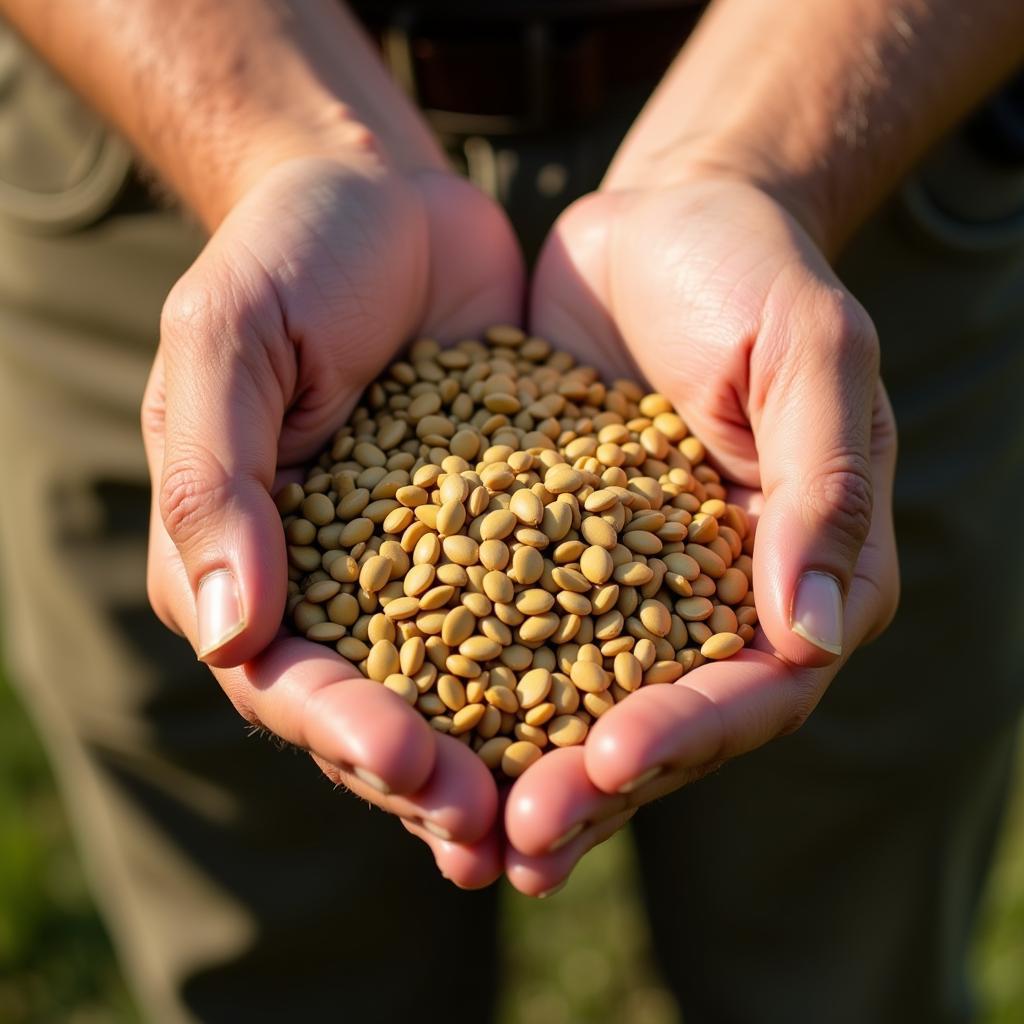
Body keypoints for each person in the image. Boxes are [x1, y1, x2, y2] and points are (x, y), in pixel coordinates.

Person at [0, 0, 1021, 1020]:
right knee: (278, 973)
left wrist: (749, 156)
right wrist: (285, 138)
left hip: (876, 125)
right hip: (150, 123)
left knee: (840, 956)